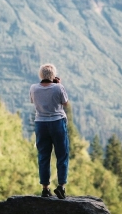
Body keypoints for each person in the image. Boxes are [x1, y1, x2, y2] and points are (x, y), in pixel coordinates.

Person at [29, 63, 69, 199]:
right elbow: (65, 103)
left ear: (41, 75)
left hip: (41, 123)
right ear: (53, 75)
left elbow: (32, 101)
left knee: (44, 156)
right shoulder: (58, 87)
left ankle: (45, 188)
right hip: (57, 123)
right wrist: (58, 85)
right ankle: (61, 187)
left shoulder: (33, 88)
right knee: (62, 155)